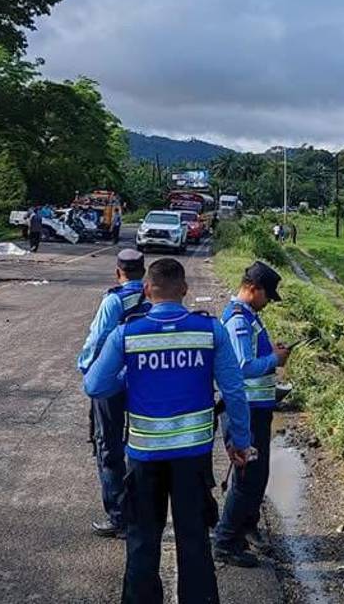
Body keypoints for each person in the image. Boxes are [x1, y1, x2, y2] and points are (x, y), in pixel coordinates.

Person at [83, 258, 253, 604]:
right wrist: (240, 442)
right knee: (194, 539)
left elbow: (95, 386)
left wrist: (131, 377)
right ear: (185, 290)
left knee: (143, 539)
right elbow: (235, 391)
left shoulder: (127, 333)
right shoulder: (209, 331)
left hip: (144, 456)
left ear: (147, 290)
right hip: (192, 457)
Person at [212, 260, 291, 566]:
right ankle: (225, 541)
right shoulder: (238, 320)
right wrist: (275, 359)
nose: (269, 302)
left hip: (256, 409)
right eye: (267, 295)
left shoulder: (249, 316)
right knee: (248, 479)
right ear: (252, 289)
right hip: (243, 411)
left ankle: (244, 527)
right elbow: (244, 368)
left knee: (257, 477)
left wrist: (272, 353)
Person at [77, 248, 149, 538]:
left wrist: (87, 370)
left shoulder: (113, 300)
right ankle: (144, 509)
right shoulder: (151, 295)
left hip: (112, 383)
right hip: (143, 379)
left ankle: (119, 516)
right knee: (141, 444)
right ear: (143, 272)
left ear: (118, 272)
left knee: (108, 447)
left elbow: (97, 342)